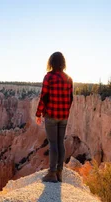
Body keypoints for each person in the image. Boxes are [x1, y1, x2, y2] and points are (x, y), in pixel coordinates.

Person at [35, 52, 74, 183]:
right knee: (60, 143)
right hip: (64, 116)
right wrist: (65, 112)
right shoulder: (68, 78)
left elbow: (44, 97)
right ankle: (59, 172)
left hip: (51, 115)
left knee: (53, 144)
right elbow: (71, 98)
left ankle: (52, 173)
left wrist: (38, 113)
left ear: (51, 62)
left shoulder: (49, 77)